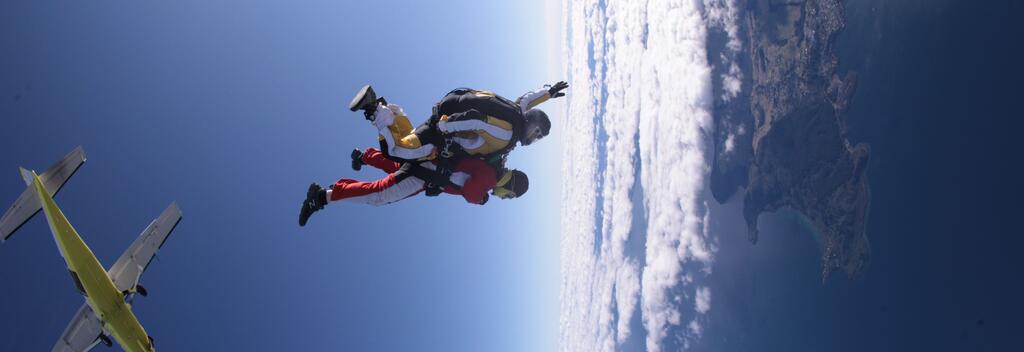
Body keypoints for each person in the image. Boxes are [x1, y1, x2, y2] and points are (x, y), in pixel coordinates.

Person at [298, 147, 529, 226]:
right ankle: (320, 197)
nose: (503, 198)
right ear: (510, 187)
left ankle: (363, 156)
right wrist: (480, 199)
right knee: (379, 195)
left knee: (397, 167)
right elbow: (470, 192)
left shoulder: (495, 164)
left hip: (429, 160)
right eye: (508, 196)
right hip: (427, 176)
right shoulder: (490, 178)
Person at [349, 82, 568, 162]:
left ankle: (388, 111)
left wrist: (548, 92)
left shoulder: (516, 110)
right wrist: (445, 127)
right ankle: (374, 109)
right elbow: (478, 122)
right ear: (531, 123)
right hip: (444, 132)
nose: (534, 137)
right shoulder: (507, 134)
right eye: (537, 132)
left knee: (410, 138)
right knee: (395, 152)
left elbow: (527, 99)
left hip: (449, 105)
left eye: (538, 137)